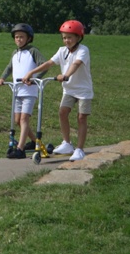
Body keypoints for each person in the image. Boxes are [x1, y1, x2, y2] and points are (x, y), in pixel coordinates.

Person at [22, 20, 93, 161]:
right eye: (64, 37)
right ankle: (67, 143)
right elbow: (49, 63)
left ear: (78, 37)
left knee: (81, 117)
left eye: (70, 37)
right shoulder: (62, 51)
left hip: (83, 90)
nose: (66, 40)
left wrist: (66, 75)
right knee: (62, 112)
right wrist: (31, 72)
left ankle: (79, 149)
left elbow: (76, 64)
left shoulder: (83, 50)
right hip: (69, 90)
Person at [0, 23, 46, 159]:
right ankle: (35, 142)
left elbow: (44, 65)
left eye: (22, 37)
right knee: (18, 120)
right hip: (17, 91)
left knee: (24, 119)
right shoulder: (15, 53)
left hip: (29, 91)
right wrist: (2, 78)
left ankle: (20, 149)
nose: (19, 39)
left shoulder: (33, 51)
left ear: (29, 38)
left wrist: (36, 79)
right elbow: (9, 67)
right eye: (16, 37)